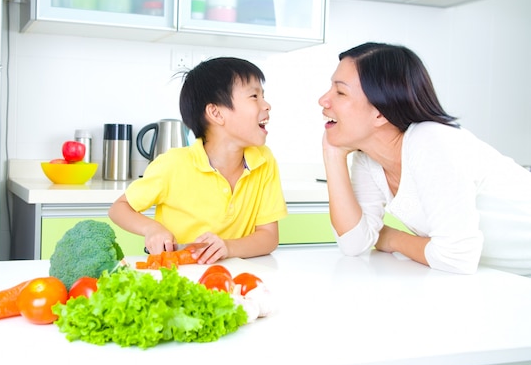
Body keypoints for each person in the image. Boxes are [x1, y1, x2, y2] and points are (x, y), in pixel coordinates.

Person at [319, 42, 531, 276]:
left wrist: (392, 238)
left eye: (340, 92)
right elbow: (354, 244)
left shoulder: (431, 141)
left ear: (380, 112)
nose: (323, 100)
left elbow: (456, 257)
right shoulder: (369, 159)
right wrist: (332, 154)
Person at [109, 57, 288, 264]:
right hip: (179, 275)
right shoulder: (173, 164)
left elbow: (269, 237)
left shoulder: (264, 161)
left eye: (263, 96)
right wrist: (152, 229)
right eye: (254, 96)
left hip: (236, 277)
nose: (266, 105)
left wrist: (228, 247)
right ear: (215, 113)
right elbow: (119, 208)